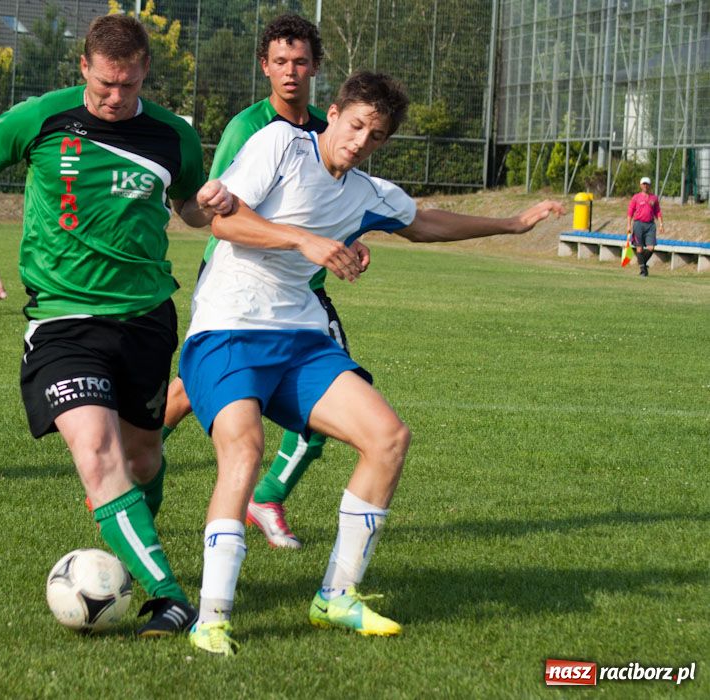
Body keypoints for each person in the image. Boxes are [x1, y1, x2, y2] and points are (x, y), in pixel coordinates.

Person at [179, 71, 565, 656]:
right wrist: (303, 241)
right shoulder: (281, 145)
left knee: (387, 438)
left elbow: (427, 223)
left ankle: (337, 595)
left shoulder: (368, 193)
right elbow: (225, 220)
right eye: (356, 125)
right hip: (230, 324)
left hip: (300, 336)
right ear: (331, 114)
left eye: (376, 135)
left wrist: (511, 224)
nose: (361, 141)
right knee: (246, 448)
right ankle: (212, 619)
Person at [0, 15, 232, 638]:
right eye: (105, 85)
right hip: (63, 319)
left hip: (147, 319)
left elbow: (185, 206)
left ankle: (129, 544)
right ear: (84, 67)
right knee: (97, 453)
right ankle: (170, 596)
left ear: (144, 73)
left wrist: (206, 206)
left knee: (144, 455)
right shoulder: (43, 117)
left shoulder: (173, 135)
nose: (114, 97)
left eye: (127, 86)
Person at [160, 14, 332, 550]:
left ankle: (267, 494)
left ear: (315, 67)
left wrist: (347, 238)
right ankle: (141, 454)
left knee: (319, 397)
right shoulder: (248, 127)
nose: (290, 72)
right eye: (280, 62)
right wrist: (295, 238)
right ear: (264, 67)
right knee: (198, 387)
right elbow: (223, 211)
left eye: (300, 61)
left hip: (302, 289)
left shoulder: (327, 130)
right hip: (237, 282)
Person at [626, 176, 664, 277]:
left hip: (650, 225)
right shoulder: (636, 197)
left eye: (647, 184)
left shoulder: (654, 198)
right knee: (639, 248)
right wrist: (629, 225)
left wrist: (661, 224)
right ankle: (643, 271)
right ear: (640, 185)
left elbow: (658, 212)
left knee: (651, 248)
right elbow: (630, 212)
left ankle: (642, 264)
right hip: (638, 224)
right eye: (643, 184)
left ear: (650, 185)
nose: (645, 186)